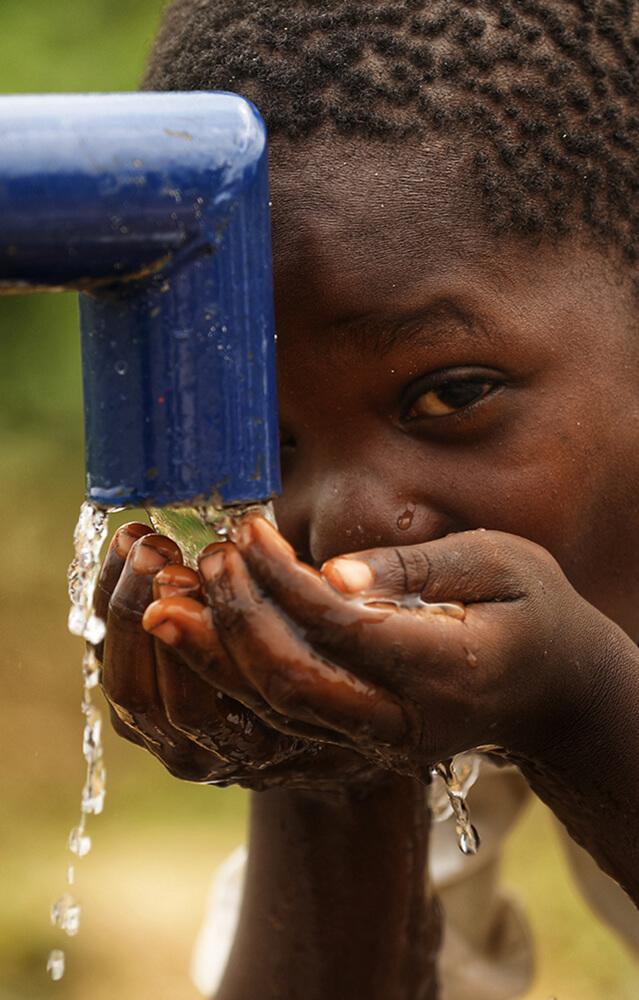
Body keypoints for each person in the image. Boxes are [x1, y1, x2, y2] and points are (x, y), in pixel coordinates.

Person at [96, 1, 639, 997]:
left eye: (448, 395)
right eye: (266, 444)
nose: (334, 524)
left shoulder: (563, 671)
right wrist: (329, 761)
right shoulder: (502, 640)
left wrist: (589, 717)